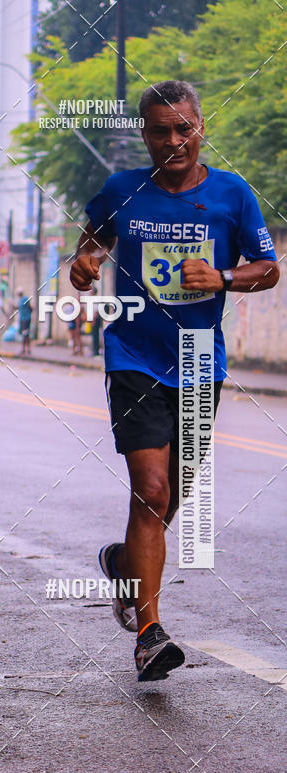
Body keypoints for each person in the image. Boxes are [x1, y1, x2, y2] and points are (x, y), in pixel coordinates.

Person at [70, 80, 279, 682]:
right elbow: (89, 247)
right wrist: (84, 264)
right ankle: (148, 635)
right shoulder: (122, 189)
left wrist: (223, 278)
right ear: (145, 133)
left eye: (182, 127)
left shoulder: (232, 195)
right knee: (152, 491)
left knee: (170, 499)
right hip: (133, 353)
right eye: (160, 129)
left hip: (197, 359)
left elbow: (268, 269)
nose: (173, 140)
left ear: (200, 127)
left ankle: (122, 562)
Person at [17, 289, 32, 356]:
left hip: (25, 319)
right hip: (23, 319)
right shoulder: (20, 300)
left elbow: (30, 307)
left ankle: (25, 349)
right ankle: (26, 349)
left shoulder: (24, 299)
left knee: (25, 334)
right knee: (25, 334)